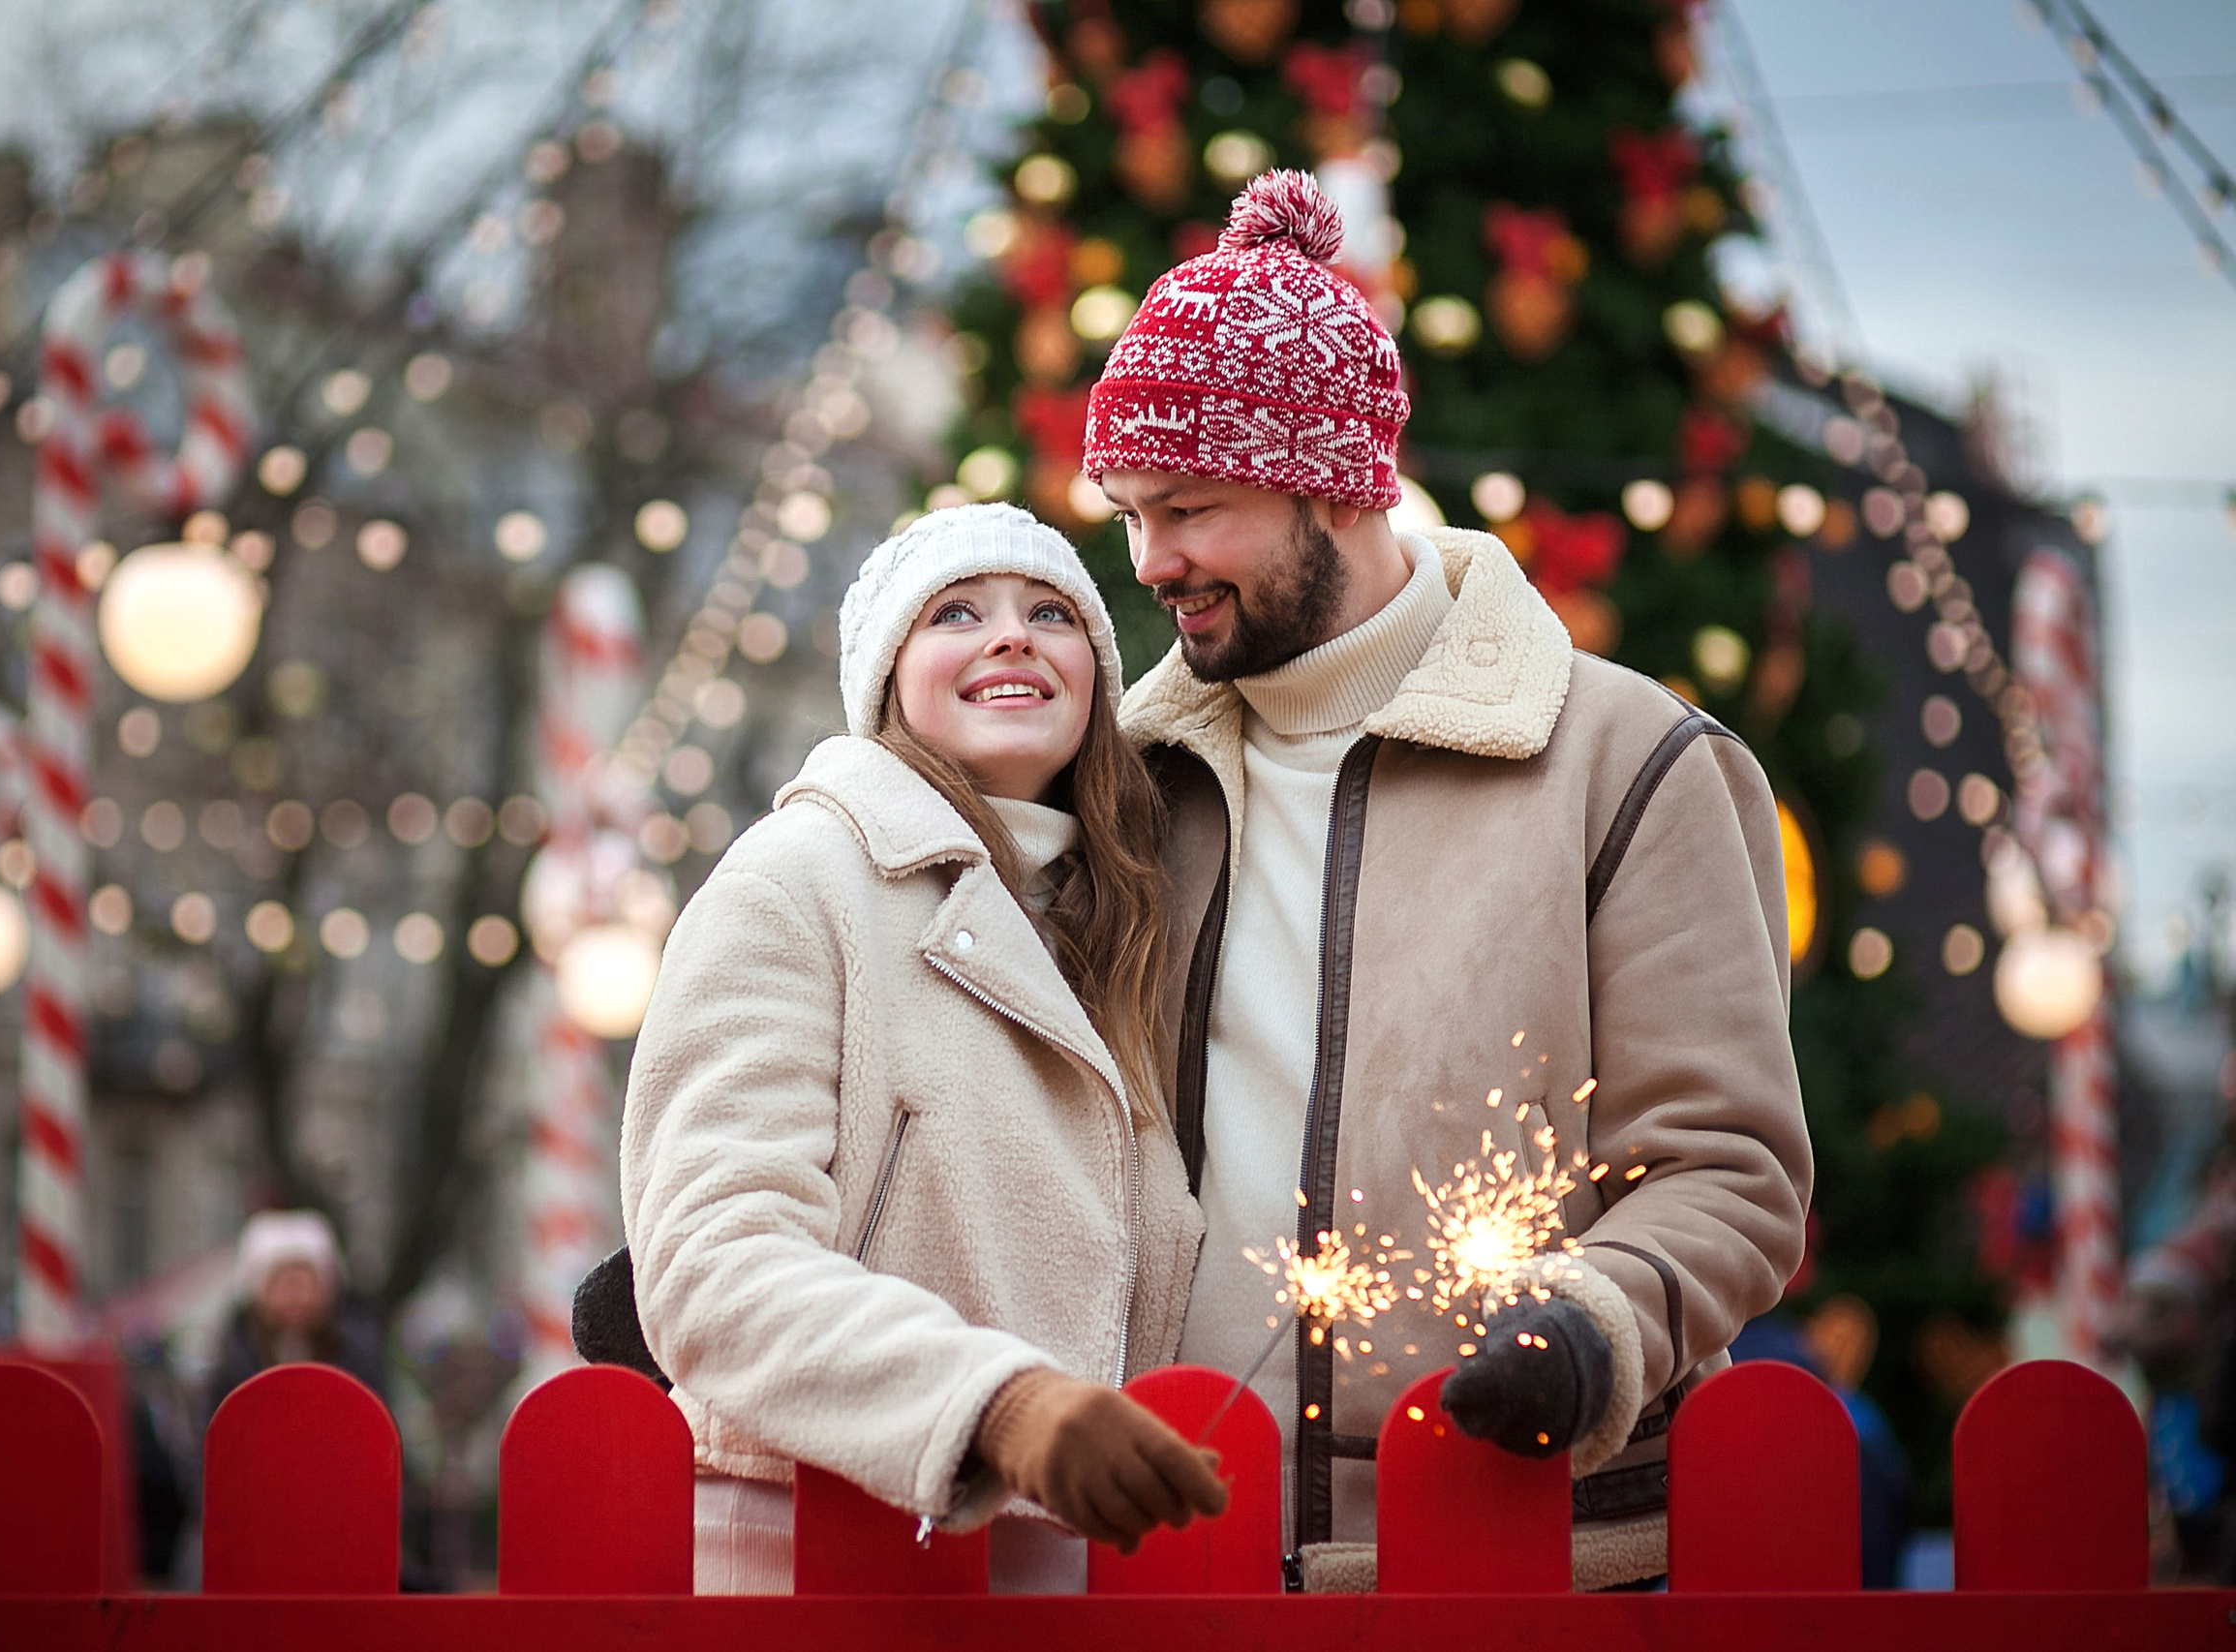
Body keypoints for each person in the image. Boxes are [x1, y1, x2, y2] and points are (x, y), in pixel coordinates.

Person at [1085, 170, 1813, 1591]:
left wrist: (1590, 1324)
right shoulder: (1121, 783)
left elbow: (1729, 1168)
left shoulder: (1626, 758)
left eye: (1191, 508)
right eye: (1128, 512)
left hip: (1526, 1555)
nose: (1151, 560)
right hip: (1175, 1556)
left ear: (1334, 491)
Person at [622, 505, 1229, 1594]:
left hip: (1061, 1582)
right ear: (887, 677)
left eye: (1052, 613)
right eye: (958, 611)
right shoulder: (798, 878)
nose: (1013, 635)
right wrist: (996, 1404)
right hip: (811, 1558)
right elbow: (712, 1261)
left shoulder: (1118, 925)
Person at [202, 1208, 387, 1424]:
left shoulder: (359, 1358)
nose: (296, 1297)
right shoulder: (231, 1364)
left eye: (304, 1283)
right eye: (282, 1284)